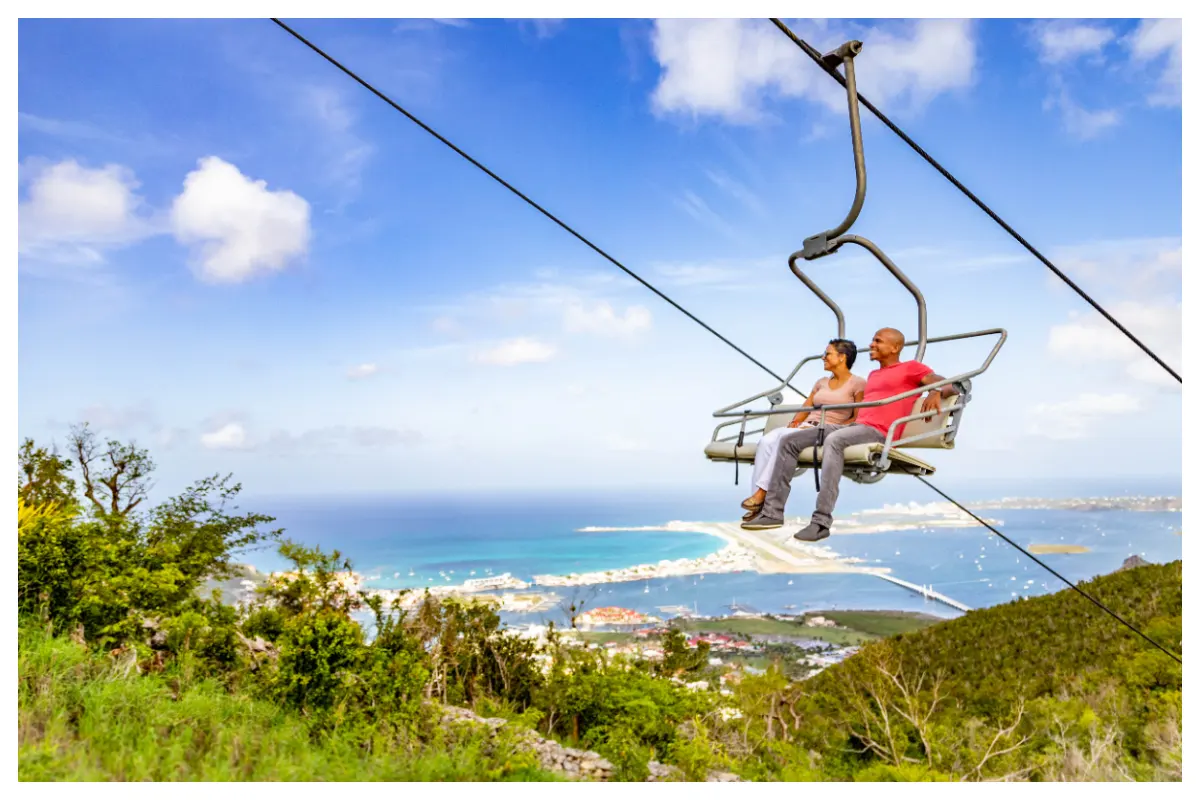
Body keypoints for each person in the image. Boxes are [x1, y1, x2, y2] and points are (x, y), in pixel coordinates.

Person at [742, 327, 958, 542]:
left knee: (834, 441)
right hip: (855, 427)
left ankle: (821, 522)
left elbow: (950, 385)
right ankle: (772, 513)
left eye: (878, 341)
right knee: (789, 440)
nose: (871, 344)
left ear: (895, 347)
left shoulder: (911, 368)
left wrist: (935, 391)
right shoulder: (873, 375)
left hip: (878, 432)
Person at [740, 339, 865, 521]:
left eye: (827, 354)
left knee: (782, 443)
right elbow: (807, 407)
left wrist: (841, 430)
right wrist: (795, 422)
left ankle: (761, 495)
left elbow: (857, 416)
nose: (823, 357)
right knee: (766, 441)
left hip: (828, 429)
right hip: (807, 426)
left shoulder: (858, 383)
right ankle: (757, 505)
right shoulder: (821, 382)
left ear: (841, 357)